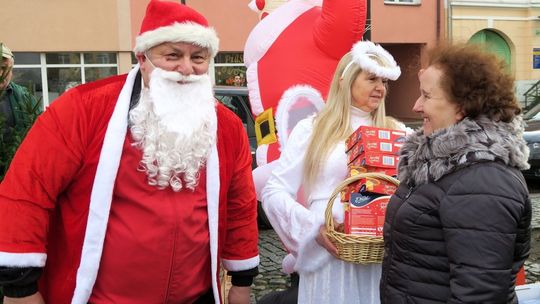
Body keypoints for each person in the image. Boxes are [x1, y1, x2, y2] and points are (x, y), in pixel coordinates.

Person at [0, 1, 259, 304]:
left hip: (195, 297)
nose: (187, 69)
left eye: (198, 57)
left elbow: (240, 206)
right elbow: (28, 191)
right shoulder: (83, 109)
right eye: (172, 55)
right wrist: (20, 288)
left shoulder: (226, 127)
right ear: (143, 58)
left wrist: (242, 282)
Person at [379, 43, 531, 303]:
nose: (416, 106)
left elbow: (480, 294)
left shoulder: (484, 181)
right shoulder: (443, 162)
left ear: (461, 107)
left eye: (426, 96)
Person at [260, 40, 404, 304]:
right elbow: (274, 191)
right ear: (344, 80)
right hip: (327, 256)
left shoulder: (397, 132)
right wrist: (314, 227)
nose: (381, 88)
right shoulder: (312, 130)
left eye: (384, 82)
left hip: (378, 257)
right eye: (372, 78)